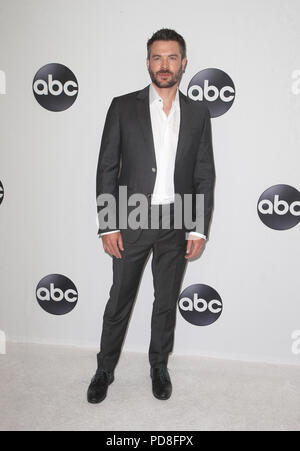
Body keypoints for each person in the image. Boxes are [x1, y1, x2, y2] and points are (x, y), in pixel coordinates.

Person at [87, 28, 215, 403]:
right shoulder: (122, 106)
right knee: (120, 298)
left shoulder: (198, 113)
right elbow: (107, 167)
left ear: (184, 63)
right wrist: (108, 223)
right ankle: (104, 368)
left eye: (172, 57)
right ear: (147, 63)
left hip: (177, 222)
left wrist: (197, 228)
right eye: (157, 58)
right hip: (133, 218)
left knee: (165, 300)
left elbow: (204, 173)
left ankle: (159, 366)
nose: (164, 65)